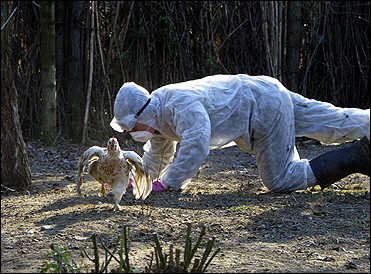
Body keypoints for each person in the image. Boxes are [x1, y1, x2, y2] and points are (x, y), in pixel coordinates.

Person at [110, 74, 370, 193]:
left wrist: (169, 183)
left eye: (129, 126)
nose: (130, 133)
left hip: (263, 107)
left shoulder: (177, 104)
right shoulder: (157, 118)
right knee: (333, 120)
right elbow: (157, 155)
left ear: (141, 116)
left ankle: (358, 156)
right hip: (264, 92)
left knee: (279, 180)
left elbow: (197, 142)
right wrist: (141, 180)